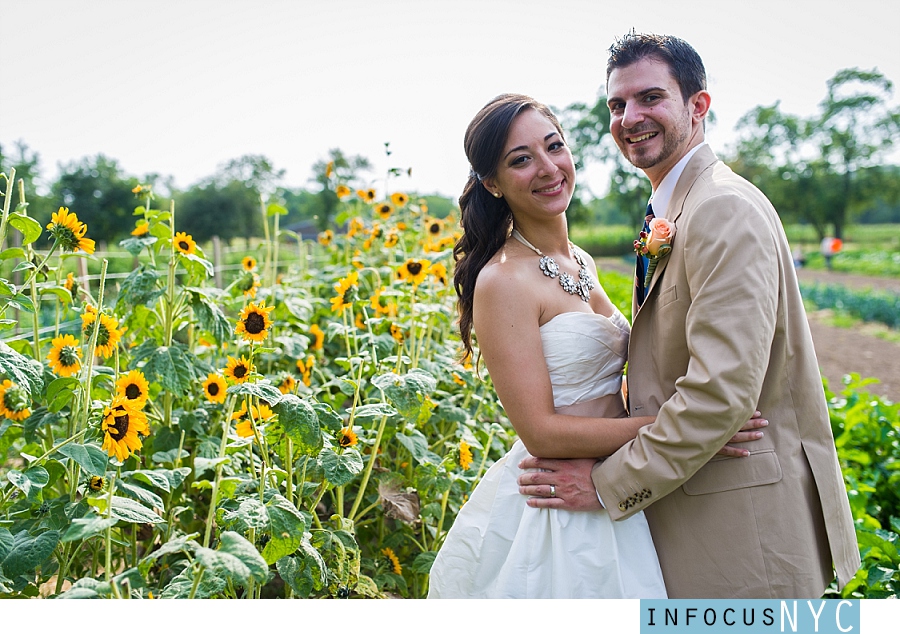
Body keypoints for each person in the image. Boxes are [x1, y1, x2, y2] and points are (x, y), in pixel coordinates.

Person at [518, 33, 860, 599]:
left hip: (744, 533)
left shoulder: (720, 208)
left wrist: (605, 485)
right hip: (692, 515)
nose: (630, 117)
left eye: (651, 98)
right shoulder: (674, 209)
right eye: (617, 105)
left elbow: (720, 396)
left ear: (697, 106)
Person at [427, 93, 764, 599]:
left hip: (614, 482)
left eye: (553, 146)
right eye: (521, 160)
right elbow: (541, 432)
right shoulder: (502, 281)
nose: (548, 168)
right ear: (492, 184)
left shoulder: (580, 261)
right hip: (563, 502)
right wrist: (693, 428)